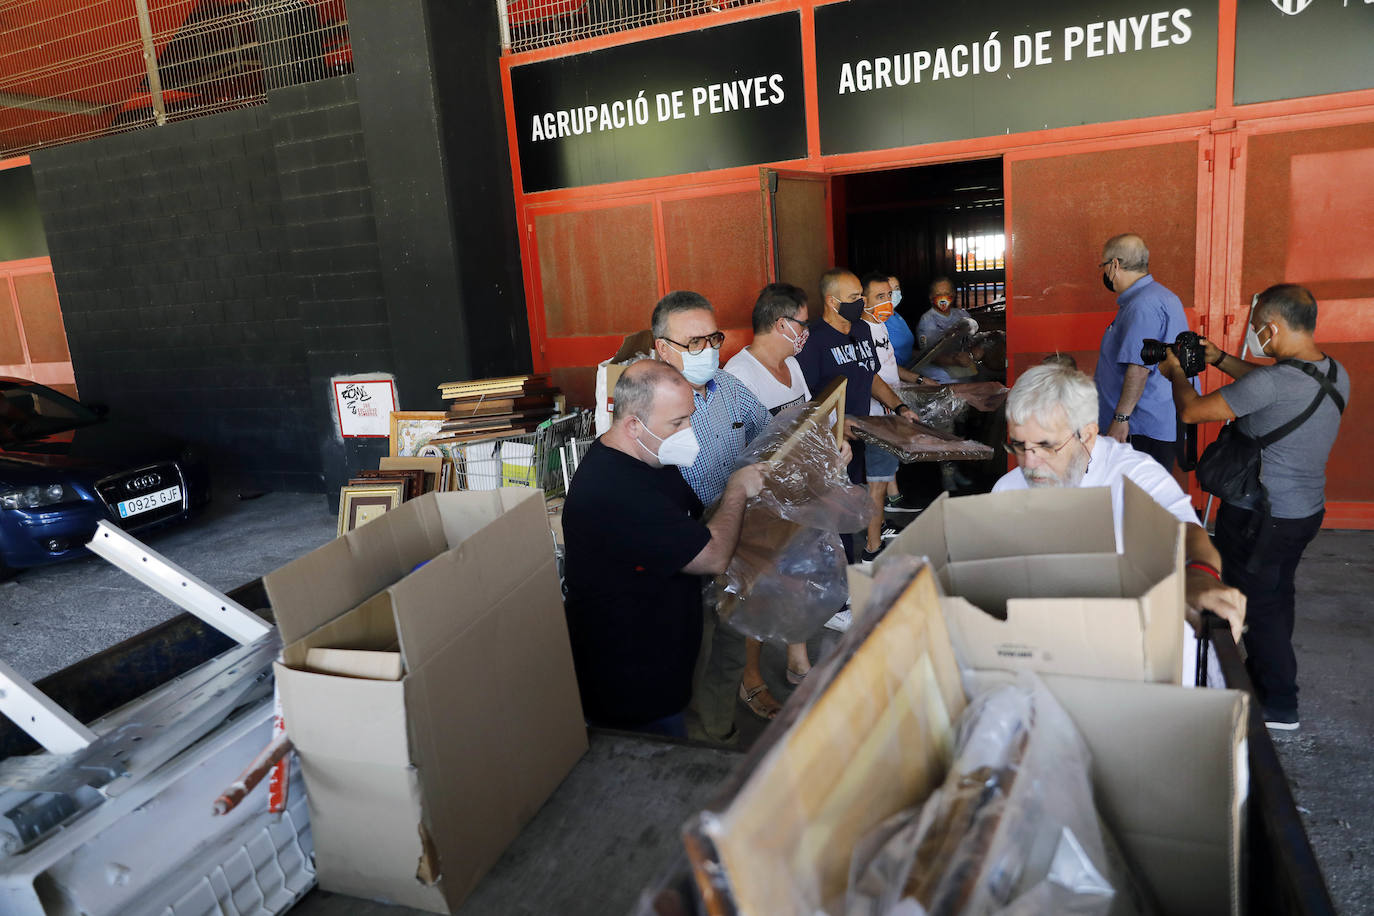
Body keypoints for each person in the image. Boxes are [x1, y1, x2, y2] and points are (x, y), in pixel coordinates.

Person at [1159, 284, 1348, 731]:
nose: (1255, 335)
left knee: (1254, 604)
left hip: (1259, 516)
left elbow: (1192, 412)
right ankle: (1270, 682)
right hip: (1303, 513)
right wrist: (1220, 358)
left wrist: (1176, 374)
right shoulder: (1332, 372)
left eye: (1258, 327)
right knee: (1277, 596)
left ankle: (1279, 705)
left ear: (1272, 327)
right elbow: (1267, 386)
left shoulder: (1272, 382)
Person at [561, 361, 765, 735]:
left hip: (667, 658)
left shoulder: (653, 457)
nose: (690, 433)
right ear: (633, 425)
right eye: (678, 423)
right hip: (633, 682)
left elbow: (695, 520)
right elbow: (712, 554)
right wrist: (737, 488)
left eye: (690, 418)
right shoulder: (613, 489)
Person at [992, 364, 1246, 651]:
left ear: (1087, 435)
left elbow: (1186, 531)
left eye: (1046, 446)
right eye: (1018, 445)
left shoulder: (1132, 474)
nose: (1028, 463)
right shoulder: (1007, 489)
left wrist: (1200, 577)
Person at [651, 290, 772, 740]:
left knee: (729, 637)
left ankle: (718, 729)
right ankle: (688, 741)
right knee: (692, 643)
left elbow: (770, 435)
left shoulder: (729, 387)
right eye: (693, 342)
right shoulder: (649, 402)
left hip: (735, 524)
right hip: (685, 535)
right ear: (663, 348)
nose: (708, 350)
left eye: (713, 338)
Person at [723, 283, 839, 715]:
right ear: (780, 323)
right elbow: (735, 451)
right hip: (760, 501)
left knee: (800, 575)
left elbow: (805, 426)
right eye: (803, 324)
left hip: (797, 492)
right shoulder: (738, 377)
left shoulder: (792, 366)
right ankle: (749, 677)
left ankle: (797, 659)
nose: (806, 332)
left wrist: (831, 450)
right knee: (755, 588)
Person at [796, 268, 919, 492]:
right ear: (832, 301)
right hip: (832, 443)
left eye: (861, 295)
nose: (861, 301)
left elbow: (870, 374)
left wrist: (899, 407)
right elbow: (806, 399)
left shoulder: (862, 329)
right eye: (854, 298)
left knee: (861, 496)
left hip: (861, 433)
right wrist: (836, 426)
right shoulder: (812, 340)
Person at [1093, 233, 1190, 472]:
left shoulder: (1142, 306)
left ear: (1114, 265)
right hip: (1155, 422)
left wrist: (1121, 419)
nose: (1105, 273)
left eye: (1104, 266)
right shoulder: (1160, 296)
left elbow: (1139, 368)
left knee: (1136, 501)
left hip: (1141, 427)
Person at [858, 271, 925, 560]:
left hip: (888, 413)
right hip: (877, 417)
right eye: (880, 297)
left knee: (880, 480)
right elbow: (869, 378)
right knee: (877, 482)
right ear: (863, 301)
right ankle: (872, 549)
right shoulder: (862, 332)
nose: (887, 302)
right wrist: (894, 406)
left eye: (889, 295)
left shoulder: (880, 326)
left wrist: (917, 381)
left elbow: (888, 368)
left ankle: (879, 528)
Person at [914, 277, 978, 383]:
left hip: (964, 370)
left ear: (953, 294)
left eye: (947, 293)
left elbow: (971, 341)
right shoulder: (927, 320)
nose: (943, 297)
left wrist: (973, 353)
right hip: (941, 376)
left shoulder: (962, 315)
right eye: (938, 294)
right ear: (931, 297)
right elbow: (929, 355)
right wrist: (955, 361)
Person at [885, 274, 916, 366]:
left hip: (911, 367)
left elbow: (907, 348)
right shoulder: (880, 319)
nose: (894, 293)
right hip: (896, 374)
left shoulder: (897, 316)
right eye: (890, 289)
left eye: (897, 288)